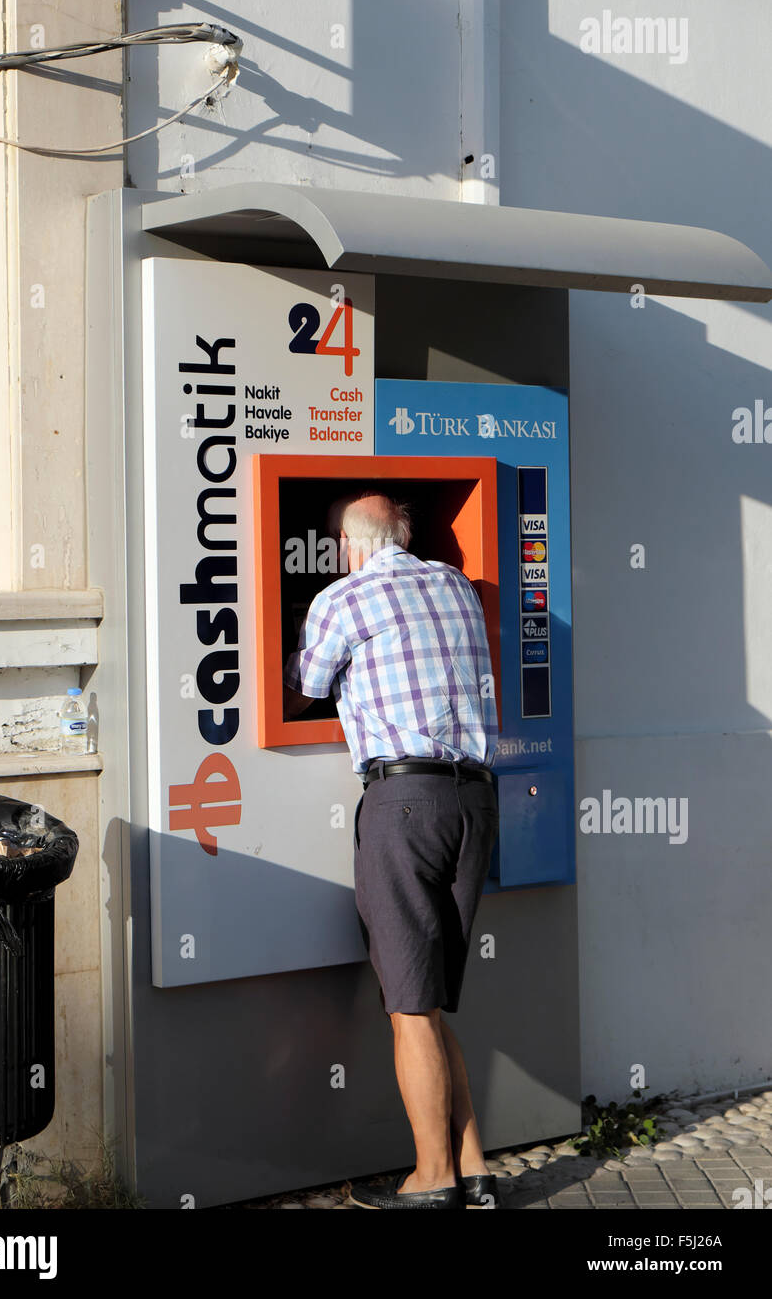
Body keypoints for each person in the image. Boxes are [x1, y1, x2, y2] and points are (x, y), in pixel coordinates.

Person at [282, 491, 500, 1210]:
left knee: (407, 1007)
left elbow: (306, 685)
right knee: (430, 1004)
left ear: (347, 545)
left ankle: (431, 1181)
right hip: (474, 803)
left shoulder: (343, 601)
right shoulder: (456, 586)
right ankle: (474, 1172)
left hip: (405, 804)